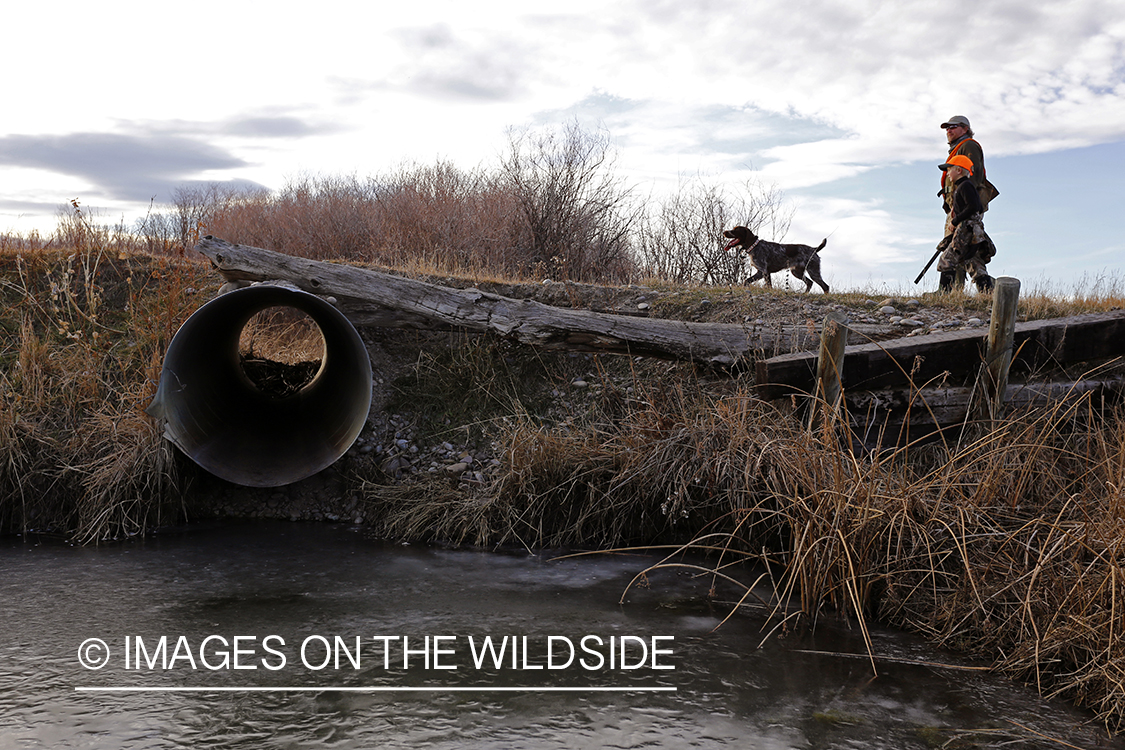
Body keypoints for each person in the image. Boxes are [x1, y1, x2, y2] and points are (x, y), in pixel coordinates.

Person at [937, 115, 998, 290]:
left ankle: (948, 290)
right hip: (961, 208)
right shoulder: (958, 148)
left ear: (965, 129)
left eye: (953, 127)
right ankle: (983, 287)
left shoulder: (968, 145)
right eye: (947, 128)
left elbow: (974, 176)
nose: (948, 130)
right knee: (967, 248)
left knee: (954, 247)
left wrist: (959, 212)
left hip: (964, 209)